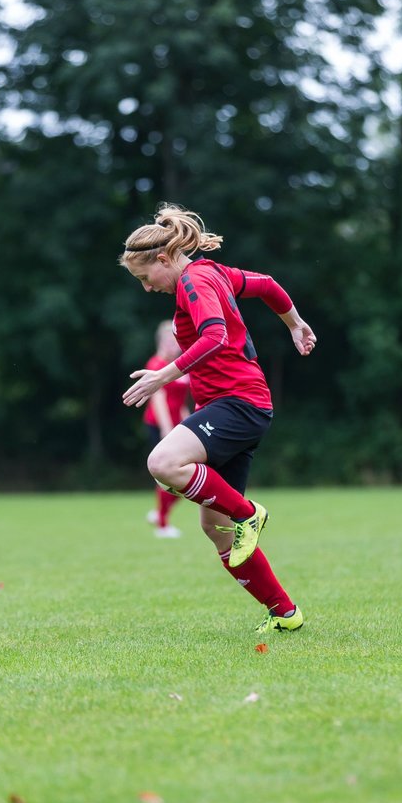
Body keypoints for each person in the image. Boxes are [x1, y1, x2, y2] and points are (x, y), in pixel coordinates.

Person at [119, 204, 317, 634]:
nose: (147, 288)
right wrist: (295, 324)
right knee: (215, 527)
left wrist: (164, 376)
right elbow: (267, 285)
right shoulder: (214, 272)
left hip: (238, 402)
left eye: (145, 278)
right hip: (237, 405)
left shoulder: (193, 281)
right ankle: (285, 613)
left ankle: (250, 514)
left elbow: (215, 336)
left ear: (164, 259)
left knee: (163, 463)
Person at [142, 320, 191, 539]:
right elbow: (158, 399)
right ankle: (162, 524)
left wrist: (190, 425)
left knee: (190, 474)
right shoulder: (156, 364)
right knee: (168, 474)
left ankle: (160, 512)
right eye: (172, 341)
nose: (177, 346)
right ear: (161, 341)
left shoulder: (177, 366)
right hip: (159, 426)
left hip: (176, 427)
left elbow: (180, 404)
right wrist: (167, 430)